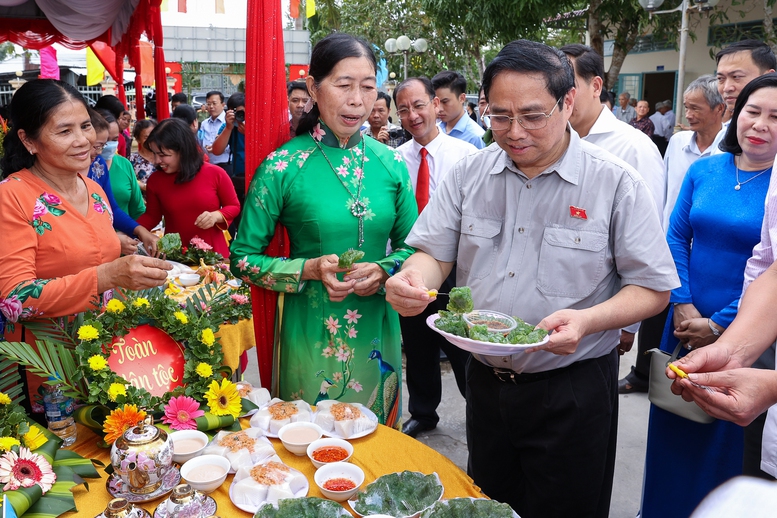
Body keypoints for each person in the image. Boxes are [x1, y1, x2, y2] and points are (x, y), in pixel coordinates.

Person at [385, 40, 678, 517]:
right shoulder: (470, 173)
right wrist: (412, 280)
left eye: (533, 115)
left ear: (568, 103)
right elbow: (432, 253)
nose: (515, 132)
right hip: (484, 384)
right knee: (490, 505)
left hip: (571, 390)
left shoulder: (615, 182)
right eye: (499, 116)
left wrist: (587, 321)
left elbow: (653, 288)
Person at [230, 33, 418, 428]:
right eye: (344, 85)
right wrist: (307, 270)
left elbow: (415, 247)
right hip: (310, 333)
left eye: (368, 87)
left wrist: (386, 268)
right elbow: (242, 259)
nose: (357, 100)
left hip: (377, 327)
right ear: (314, 88)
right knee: (310, 440)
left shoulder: (392, 164)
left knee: (377, 444)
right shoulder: (283, 166)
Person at [639, 73, 777, 518]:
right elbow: (675, 237)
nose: (760, 124)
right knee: (672, 418)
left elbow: (767, 268)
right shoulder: (704, 170)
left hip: (747, 328)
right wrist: (681, 303)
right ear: (737, 115)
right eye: (753, 112)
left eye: (776, 117)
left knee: (723, 433)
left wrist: (720, 324)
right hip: (683, 319)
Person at [0, 79, 170, 416]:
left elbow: (91, 251)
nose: (83, 141)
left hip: (108, 358)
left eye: (85, 126)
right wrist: (105, 276)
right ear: (28, 140)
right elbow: (13, 298)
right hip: (49, 369)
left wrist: (126, 258)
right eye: (64, 131)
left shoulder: (93, 189)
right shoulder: (12, 197)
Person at [560, 44, 667, 382]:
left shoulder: (633, 148)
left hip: (601, 319)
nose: (560, 95)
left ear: (595, 86)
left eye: (569, 84)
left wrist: (627, 322)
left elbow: (647, 245)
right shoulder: (551, 142)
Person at [620, 75, 726, 396]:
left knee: (690, 320)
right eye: (686, 108)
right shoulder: (679, 143)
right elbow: (664, 192)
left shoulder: (729, 149)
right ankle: (644, 373)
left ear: (720, 109)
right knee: (655, 312)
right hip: (670, 241)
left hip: (704, 252)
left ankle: (686, 383)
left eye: (695, 108)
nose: (688, 115)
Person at [393, 77, 477, 438]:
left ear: (435, 105)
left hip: (456, 270)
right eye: (403, 110)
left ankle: (480, 411)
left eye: (419, 105)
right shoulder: (396, 161)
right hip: (412, 267)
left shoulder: (466, 157)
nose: (413, 116)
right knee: (418, 344)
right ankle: (423, 411)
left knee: (462, 346)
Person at [138, 118, 240, 258]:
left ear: (183, 151)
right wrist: (132, 230)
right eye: (154, 154)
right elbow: (152, 216)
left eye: (163, 155)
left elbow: (234, 206)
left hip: (212, 254)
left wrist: (216, 216)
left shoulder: (215, 173)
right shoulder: (156, 180)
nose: (156, 160)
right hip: (176, 256)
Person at [88, 109, 157, 256]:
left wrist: (139, 230)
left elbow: (111, 208)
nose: (100, 152)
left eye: (113, 140)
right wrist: (110, 240)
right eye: (97, 145)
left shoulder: (98, 164)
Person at [711, 40, 776, 153]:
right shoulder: (722, 135)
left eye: (736, 76)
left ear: (768, 76)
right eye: (721, 79)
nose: (727, 88)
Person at [95, 109, 145, 220]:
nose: (109, 145)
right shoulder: (83, 168)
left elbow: (137, 209)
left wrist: (140, 232)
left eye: (115, 139)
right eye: (105, 140)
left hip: (126, 233)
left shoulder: (124, 165)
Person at [211, 92, 247, 235]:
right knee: (238, 217)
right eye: (237, 112)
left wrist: (249, 133)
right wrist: (228, 128)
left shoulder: (258, 124)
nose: (241, 116)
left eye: (244, 112)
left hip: (258, 176)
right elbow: (217, 150)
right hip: (238, 177)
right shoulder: (230, 126)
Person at [431, 70, 485, 149]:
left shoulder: (476, 137)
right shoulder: (436, 130)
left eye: (445, 102)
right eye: (436, 103)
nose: (439, 109)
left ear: (462, 98)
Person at [199, 91, 230, 167]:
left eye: (214, 103)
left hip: (225, 163)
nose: (211, 106)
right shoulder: (204, 123)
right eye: (208, 104)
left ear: (223, 105)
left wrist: (216, 148)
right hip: (208, 164)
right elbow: (200, 140)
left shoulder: (228, 122)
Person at [129, 119, 157, 189]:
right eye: (146, 137)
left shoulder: (164, 156)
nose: (151, 140)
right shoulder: (132, 160)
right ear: (138, 139)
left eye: (153, 136)